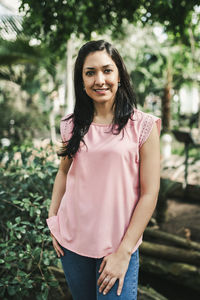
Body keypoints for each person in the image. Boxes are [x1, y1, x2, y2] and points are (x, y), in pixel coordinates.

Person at [46, 40, 161, 300]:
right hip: (73, 245)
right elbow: (64, 173)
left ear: (119, 75)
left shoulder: (143, 125)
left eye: (107, 70)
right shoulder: (71, 125)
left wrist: (124, 251)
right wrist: (53, 220)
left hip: (118, 247)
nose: (100, 80)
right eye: (90, 72)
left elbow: (149, 193)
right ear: (81, 80)